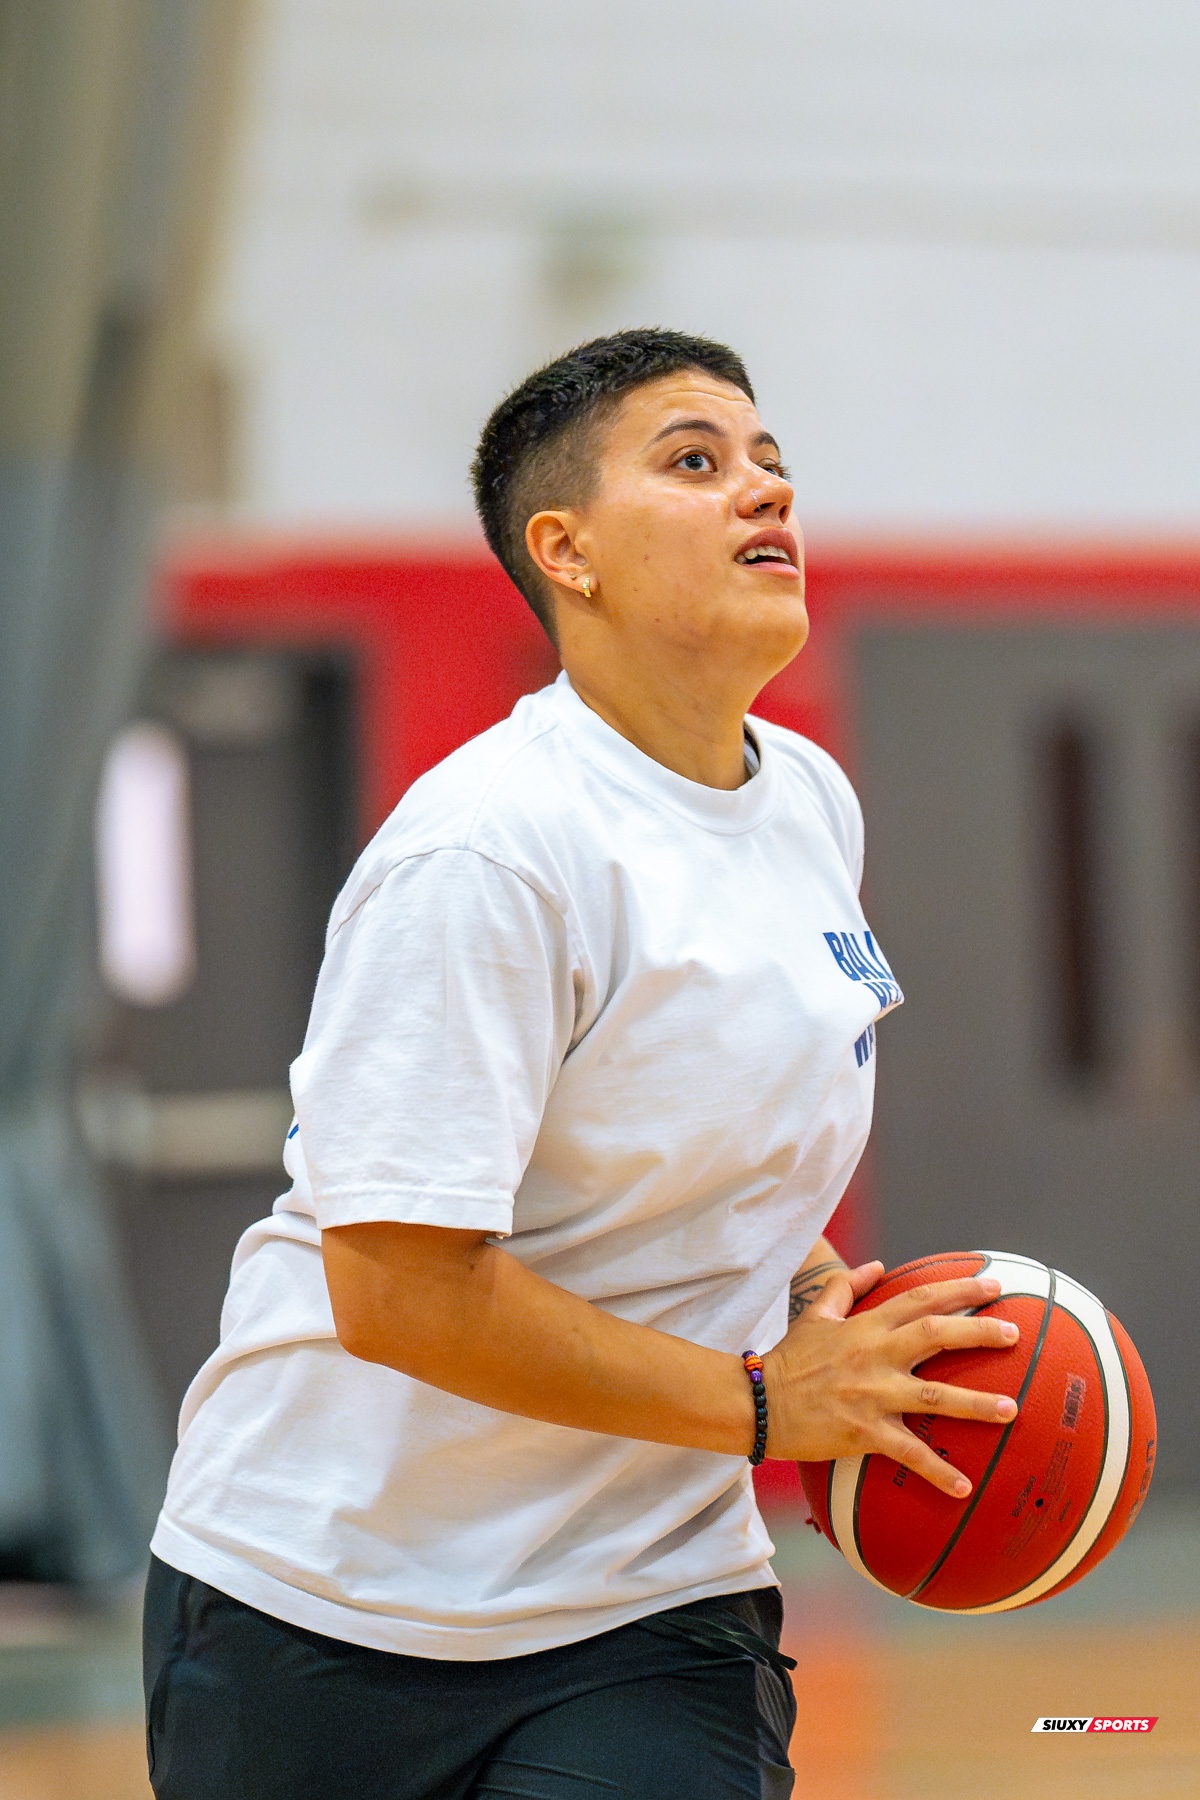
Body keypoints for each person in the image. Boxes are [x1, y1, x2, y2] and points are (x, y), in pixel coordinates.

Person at [142, 329, 1019, 1799]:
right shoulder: (490, 848)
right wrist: (761, 1405)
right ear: (568, 552)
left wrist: (803, 1289)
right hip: (317, 1603)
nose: (762, 493)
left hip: (648, 1609)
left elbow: (691, 1132)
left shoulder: (807, 800)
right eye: (696, 462)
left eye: (770, 463)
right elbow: (397, 1288)